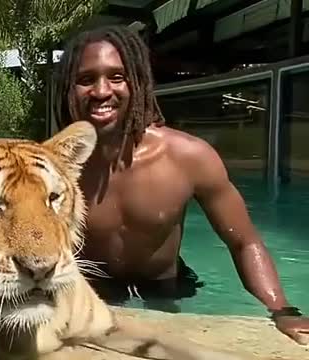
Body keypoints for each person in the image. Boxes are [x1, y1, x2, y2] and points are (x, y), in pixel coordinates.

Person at [54, 25, 309, 345]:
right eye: (86, 79)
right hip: (93, 290)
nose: (102, 91)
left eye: (117, 77)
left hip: (166, 287)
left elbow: (244, 242)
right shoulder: (53, 167)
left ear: (138, 82)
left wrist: (282, 310)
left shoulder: (188, 157)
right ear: (68, 88)